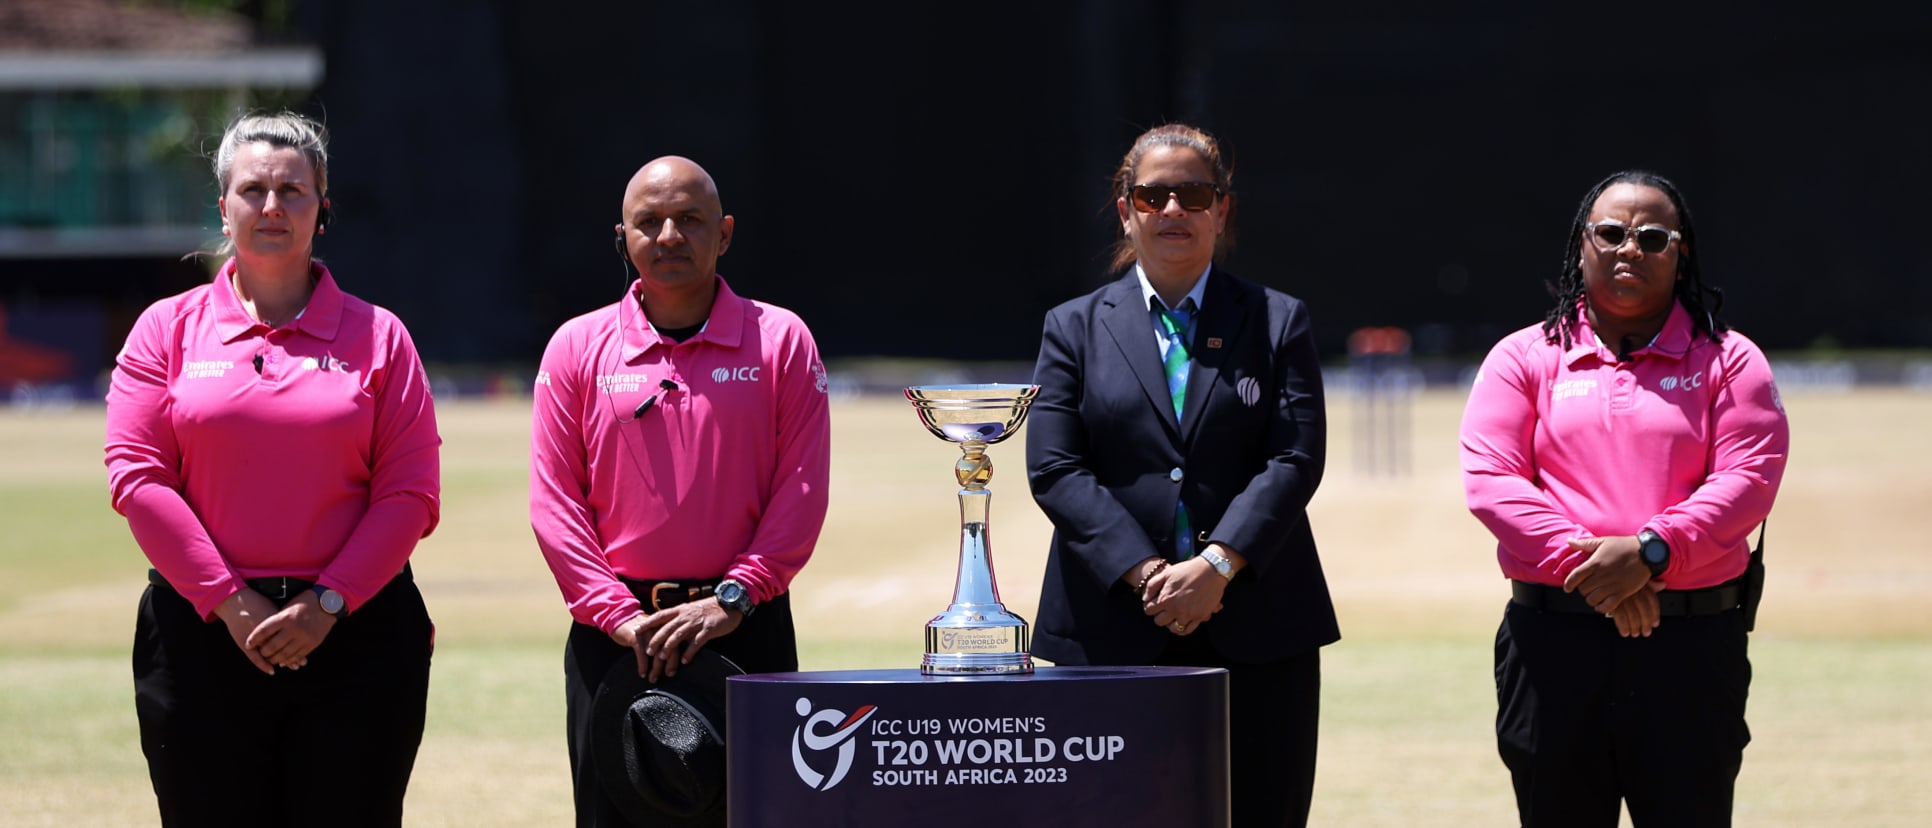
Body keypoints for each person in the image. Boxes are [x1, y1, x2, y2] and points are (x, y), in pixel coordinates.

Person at [105, 111, 441, 827]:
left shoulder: (382, 336)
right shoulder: (165, 329)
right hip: (200, 636)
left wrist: (324, 606)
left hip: (358, 636)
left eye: (294, 191)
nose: (272, 206)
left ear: (323, 209)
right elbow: (137, 478)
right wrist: (231, 602)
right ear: (222, 209)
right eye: (252, 189)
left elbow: (410, 493)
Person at [1025, 123, 1339, 827]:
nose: (1173, 210)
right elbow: (1054, 467)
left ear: (1222, 208)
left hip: (1258, 627)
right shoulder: (1071, 327)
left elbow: (1296, 457)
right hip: (1110, 627)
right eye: (1153, 194)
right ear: (1125, 208)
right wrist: (1146, 574)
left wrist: (1217, 566)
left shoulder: (1277, 320)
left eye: (1193, 194)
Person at [1459, 170, 1789, 827]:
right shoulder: (1523, 357)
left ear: (1681, 250)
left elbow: (1748, 479)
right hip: (1554, 646)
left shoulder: (1731, 360)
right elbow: (1491, 481)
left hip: (1690, 650)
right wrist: (1605, 577)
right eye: (1610, 233)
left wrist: (1649, 551)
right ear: (1581, 245)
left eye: (1652, 236)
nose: (1628, 248)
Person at [529, 155, 831, 827]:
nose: (669, 235)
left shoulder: (781, 341)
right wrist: (619, 618)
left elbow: (801, 491)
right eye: (650, 222)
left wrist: (736, 597)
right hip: (615, 636)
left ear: (724, 234)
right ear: (623, 238)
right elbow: (555, 506)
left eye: (689, 219)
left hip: (744, 623)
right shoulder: (576, 348)